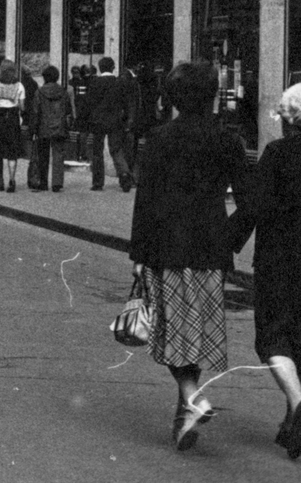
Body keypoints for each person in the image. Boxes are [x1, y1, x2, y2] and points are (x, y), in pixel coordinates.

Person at [128, 60, 246, 451]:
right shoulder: (228, 140)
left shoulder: (160, 138)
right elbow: (250, 201)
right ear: (212, 96)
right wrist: (229, 238)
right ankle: (183, 418)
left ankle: (193, 398)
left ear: (174, 97)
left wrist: (138, 251)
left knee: (172, 331)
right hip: (211, 251)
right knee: (194, 332)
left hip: (168, 247)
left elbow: (146, 201)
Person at [228, 83, 301, 457]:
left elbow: (253, 205)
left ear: (290, 118)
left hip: (279, 259)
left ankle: (298, 404)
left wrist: (226, 243)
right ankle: (293, 423)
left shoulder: (277, 153)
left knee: (273, 335)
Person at [86, 56, 136, 192]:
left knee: (97, 151)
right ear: (113, 67)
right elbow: (127, 103)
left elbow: (89, 104)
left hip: (97, 121)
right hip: (115, 121)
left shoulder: (94, 82)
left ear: (100, 68)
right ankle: (124, 174)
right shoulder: (119, 82)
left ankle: (98, 182)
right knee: (116, 150)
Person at [28, 65, 72, 192]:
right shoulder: (63, 92)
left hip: (43, 126)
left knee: (43, 155)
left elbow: (36, 111)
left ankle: (43, 182)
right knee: (58, 154)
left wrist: (33, 129)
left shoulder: (40, 92)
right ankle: (57, 182)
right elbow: (67, 110)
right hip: (59, 126)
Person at [0, 59, 25, 192]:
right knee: (12, 152)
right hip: (13, 119)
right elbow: (23, 107)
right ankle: (12, 180)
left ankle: (0, 181)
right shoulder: (19, 85)